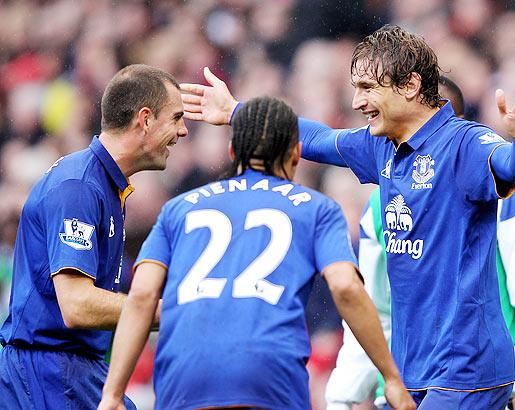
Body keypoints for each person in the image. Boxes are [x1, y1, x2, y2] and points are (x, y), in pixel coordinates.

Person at [180, 24, 515, 409]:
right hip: (410, 368)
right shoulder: (381, 146)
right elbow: (317, 138)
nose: (356, 101)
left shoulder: (465, 143)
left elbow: (510, 165)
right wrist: (238, 112)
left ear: (410, 85)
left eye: (368, 88)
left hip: (465, 372)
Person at [98, 96, 415, 410]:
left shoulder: (178, 209)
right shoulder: (317, 209)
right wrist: (390, 377)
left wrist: (112, 395)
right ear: (296, 154)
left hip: (184, 374)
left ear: (233, 152)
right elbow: (346, 287)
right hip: (269, 373)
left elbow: (140, 297)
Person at [325, 77, 515, 410]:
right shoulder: (379, 207)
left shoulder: (506, 193)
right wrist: (344, 394)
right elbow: (373, 307)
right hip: (403, 393)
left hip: (481, 386)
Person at [0, 64, 188, 410]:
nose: (184, 131)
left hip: (71, 369)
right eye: (176, 117)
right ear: (144, 119)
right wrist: (176, 312)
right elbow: (77, 305)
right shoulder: (80, 187)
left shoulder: (103, 184)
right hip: (47, 374)